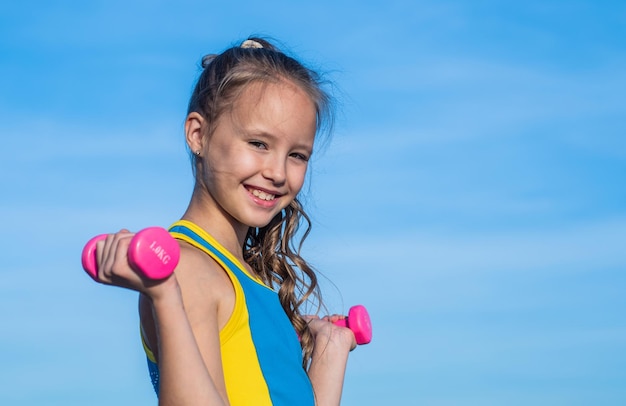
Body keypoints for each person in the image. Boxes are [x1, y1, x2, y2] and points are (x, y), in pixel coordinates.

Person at [93, 37, 356, 405]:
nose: (278, 173)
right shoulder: (186, 269)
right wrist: (165, 295)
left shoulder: (246, 280)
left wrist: (330, 353)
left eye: (297, 155)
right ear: (198, 134)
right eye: (259, 144)